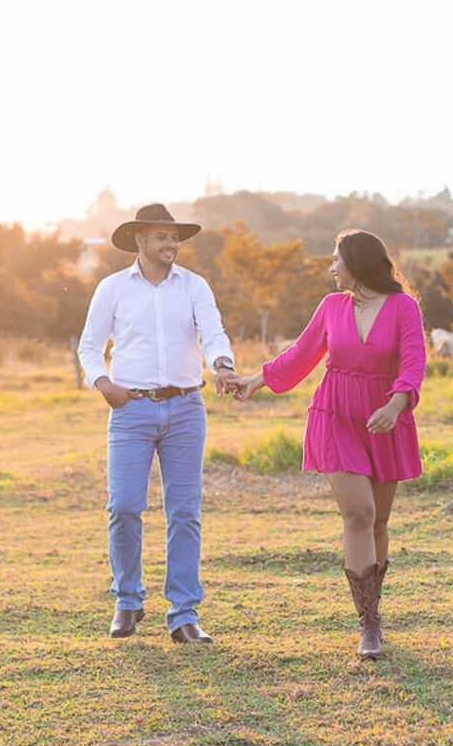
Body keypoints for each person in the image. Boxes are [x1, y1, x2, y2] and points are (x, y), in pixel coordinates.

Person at [232, 229, 426, 658]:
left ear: (356, 264)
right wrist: (255, 380)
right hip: (335, 415)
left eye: (336, 259)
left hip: (385, 419)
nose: (331, 267)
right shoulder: (330, 307)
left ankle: (374, 609)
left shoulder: (403, 308)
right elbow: (300, 356)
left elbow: (413, 362)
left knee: (378, 521)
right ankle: (368, 626)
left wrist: (396, 406)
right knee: (359, 513)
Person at [78, 202, 241, 644]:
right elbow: (89, 347)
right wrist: (103, 384)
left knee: (185, 513)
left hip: (187, 408)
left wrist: (222, 364)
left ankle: (184, 612)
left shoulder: (194, 286)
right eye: (163, 237)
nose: (173, 245)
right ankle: (127, 600)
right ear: (140, 240)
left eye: (176, 238)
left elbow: (213, 332)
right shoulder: (112, 289)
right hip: (130, 410)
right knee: (124, 507)